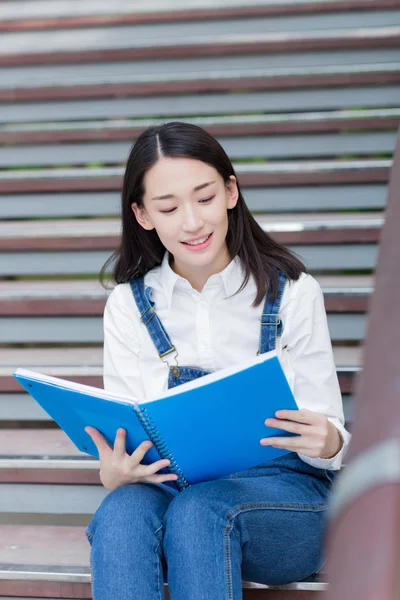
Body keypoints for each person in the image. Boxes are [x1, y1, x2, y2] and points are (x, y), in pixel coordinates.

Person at [84, 121, 351, 600]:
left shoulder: (292, 293)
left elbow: (332, 436)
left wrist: (327, 438)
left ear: (231, 191)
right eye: (168, 207)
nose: (192, 221)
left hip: (285, 501)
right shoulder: (128, 305)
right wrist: (115, 472)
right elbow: (125, 437)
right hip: (174, 488)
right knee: (122, 512)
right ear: (143, 215)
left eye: (205, 198)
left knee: (202, 509)